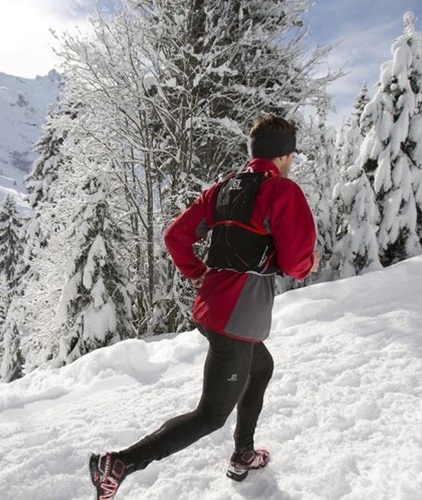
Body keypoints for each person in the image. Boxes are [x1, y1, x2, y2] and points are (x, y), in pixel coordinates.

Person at [89, 113, 318, 499]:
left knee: (261, 367)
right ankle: (120, 462)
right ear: (282, 156)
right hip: (236, 321)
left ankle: (243, 453)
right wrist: (305, 261)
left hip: (211, 308)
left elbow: (176, 236)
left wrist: (197, 273)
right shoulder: (282, 192)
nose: (292, 162)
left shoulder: (224, 190)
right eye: (291, 155)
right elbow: (297, 264)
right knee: (210, 415)